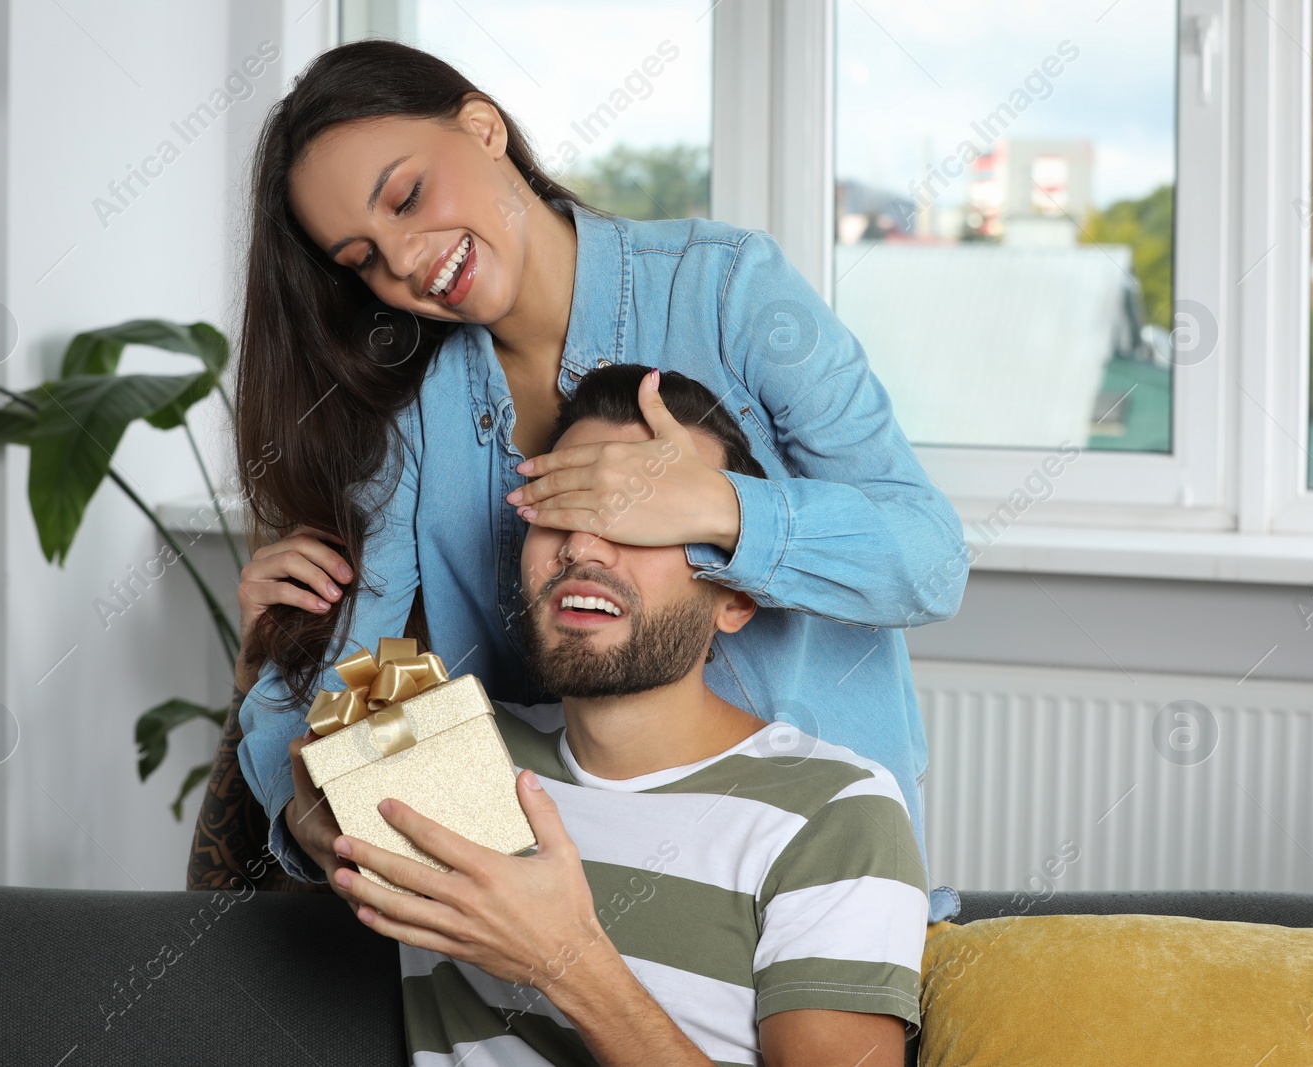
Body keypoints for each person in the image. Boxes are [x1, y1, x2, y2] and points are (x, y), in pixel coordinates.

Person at [232, 38, 968, 923]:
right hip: (571, 909)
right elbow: (345, 678)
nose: (405, 260)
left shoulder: (728, 289)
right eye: (361, 258)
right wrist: (297, 779)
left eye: (408, 195)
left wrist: (721, 508)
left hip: (807, 889)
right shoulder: (414, 414)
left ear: (483, 126)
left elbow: (932, 560)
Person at [285, 366, 927, 1067]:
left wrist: (566, 961)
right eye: (554, 511)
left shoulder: (834, 812)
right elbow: (292, 771)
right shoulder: (449, 746)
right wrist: (274, 641)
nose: (581, 548)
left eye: (639, 517)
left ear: (736, 599)